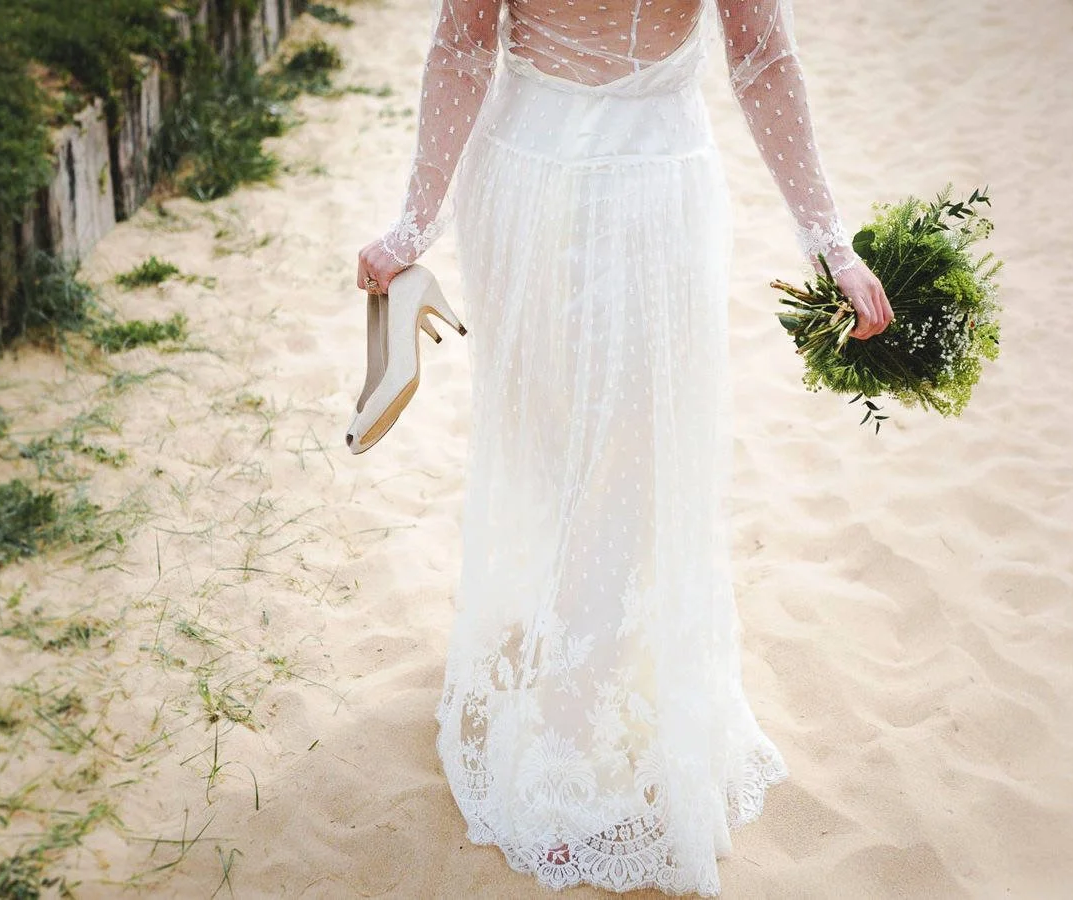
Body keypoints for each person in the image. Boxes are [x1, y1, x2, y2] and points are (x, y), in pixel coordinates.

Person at [354, 0, 891, 894]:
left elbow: (758, 54)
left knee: (620, 463)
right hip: (564, 185)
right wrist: (413, 224)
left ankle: (568, 729)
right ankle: (562, 724)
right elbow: (755, 59)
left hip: (612, 188)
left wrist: (830, 243)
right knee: (571, 451)